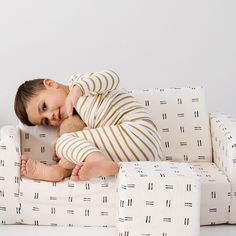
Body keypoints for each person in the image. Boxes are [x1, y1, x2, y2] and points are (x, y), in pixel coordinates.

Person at [15, 70, 162, 182]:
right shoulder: (78, 119)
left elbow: (112, 77)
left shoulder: (78, 83)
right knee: (67, 144)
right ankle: (62, 171)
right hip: (140, 156)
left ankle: (70, 168)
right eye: (45, 121)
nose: (50, 117)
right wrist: (67, 152)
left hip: (138, 129)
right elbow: (102, 136)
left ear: (51, 84)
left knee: (62, 142)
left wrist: (79, 89)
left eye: (44, 106)